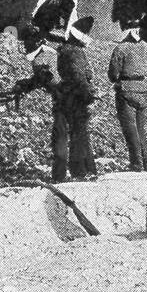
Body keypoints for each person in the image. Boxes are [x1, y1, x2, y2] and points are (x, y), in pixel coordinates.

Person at [108, 16, 147, 170]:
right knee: (141, 129)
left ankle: (136, 163)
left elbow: (112, 74)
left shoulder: (121, 48)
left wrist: (118, 79)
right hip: (143, 89)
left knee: (130, 129)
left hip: (126, 89)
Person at [57, 16, 98, 180]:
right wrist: (89, 94)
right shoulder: (76, 52)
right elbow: (80, 76)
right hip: (77, 96)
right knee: (80, 133)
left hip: (67, 94)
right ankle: (81, 170)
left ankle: (86, 169)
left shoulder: (64, 49)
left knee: (78, 132)